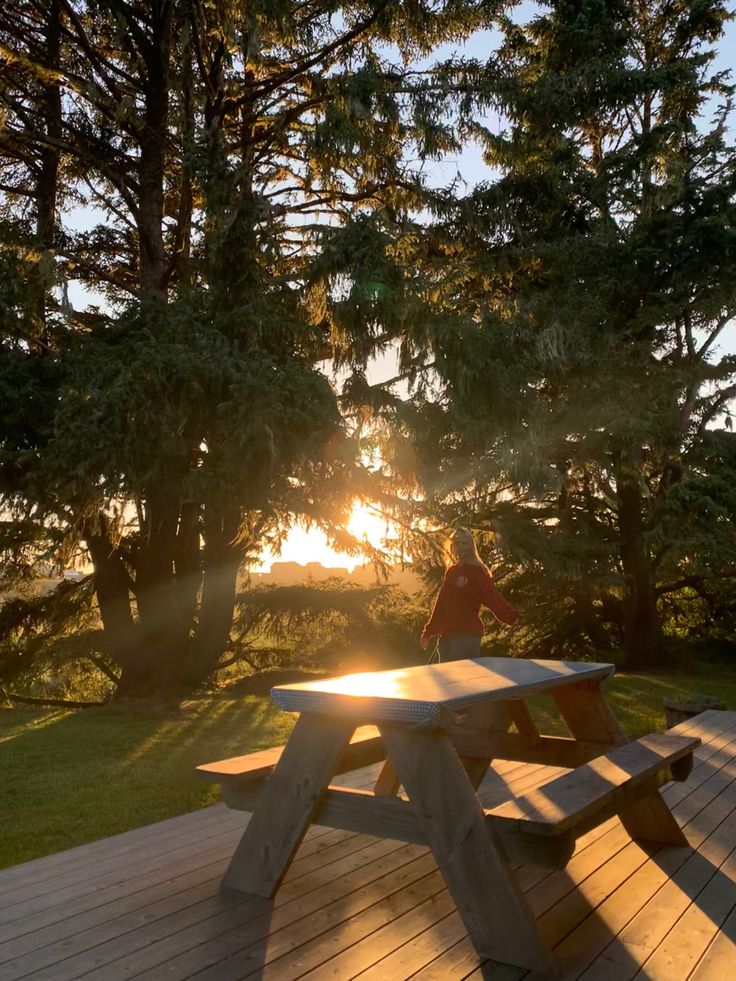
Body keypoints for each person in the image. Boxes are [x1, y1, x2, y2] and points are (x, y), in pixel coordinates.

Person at [420, 527, 519, 661]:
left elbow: (493, 598)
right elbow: (441, 603)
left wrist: (511, 616)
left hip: (466, 636)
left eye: (464, 543)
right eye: (457, 543)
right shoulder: (451, 572)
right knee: (446, 680)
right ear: (452, 546)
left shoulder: (478, 572)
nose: (460, 547)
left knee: (462, 679)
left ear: (471, 546)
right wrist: (428, 632)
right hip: (447, 636)